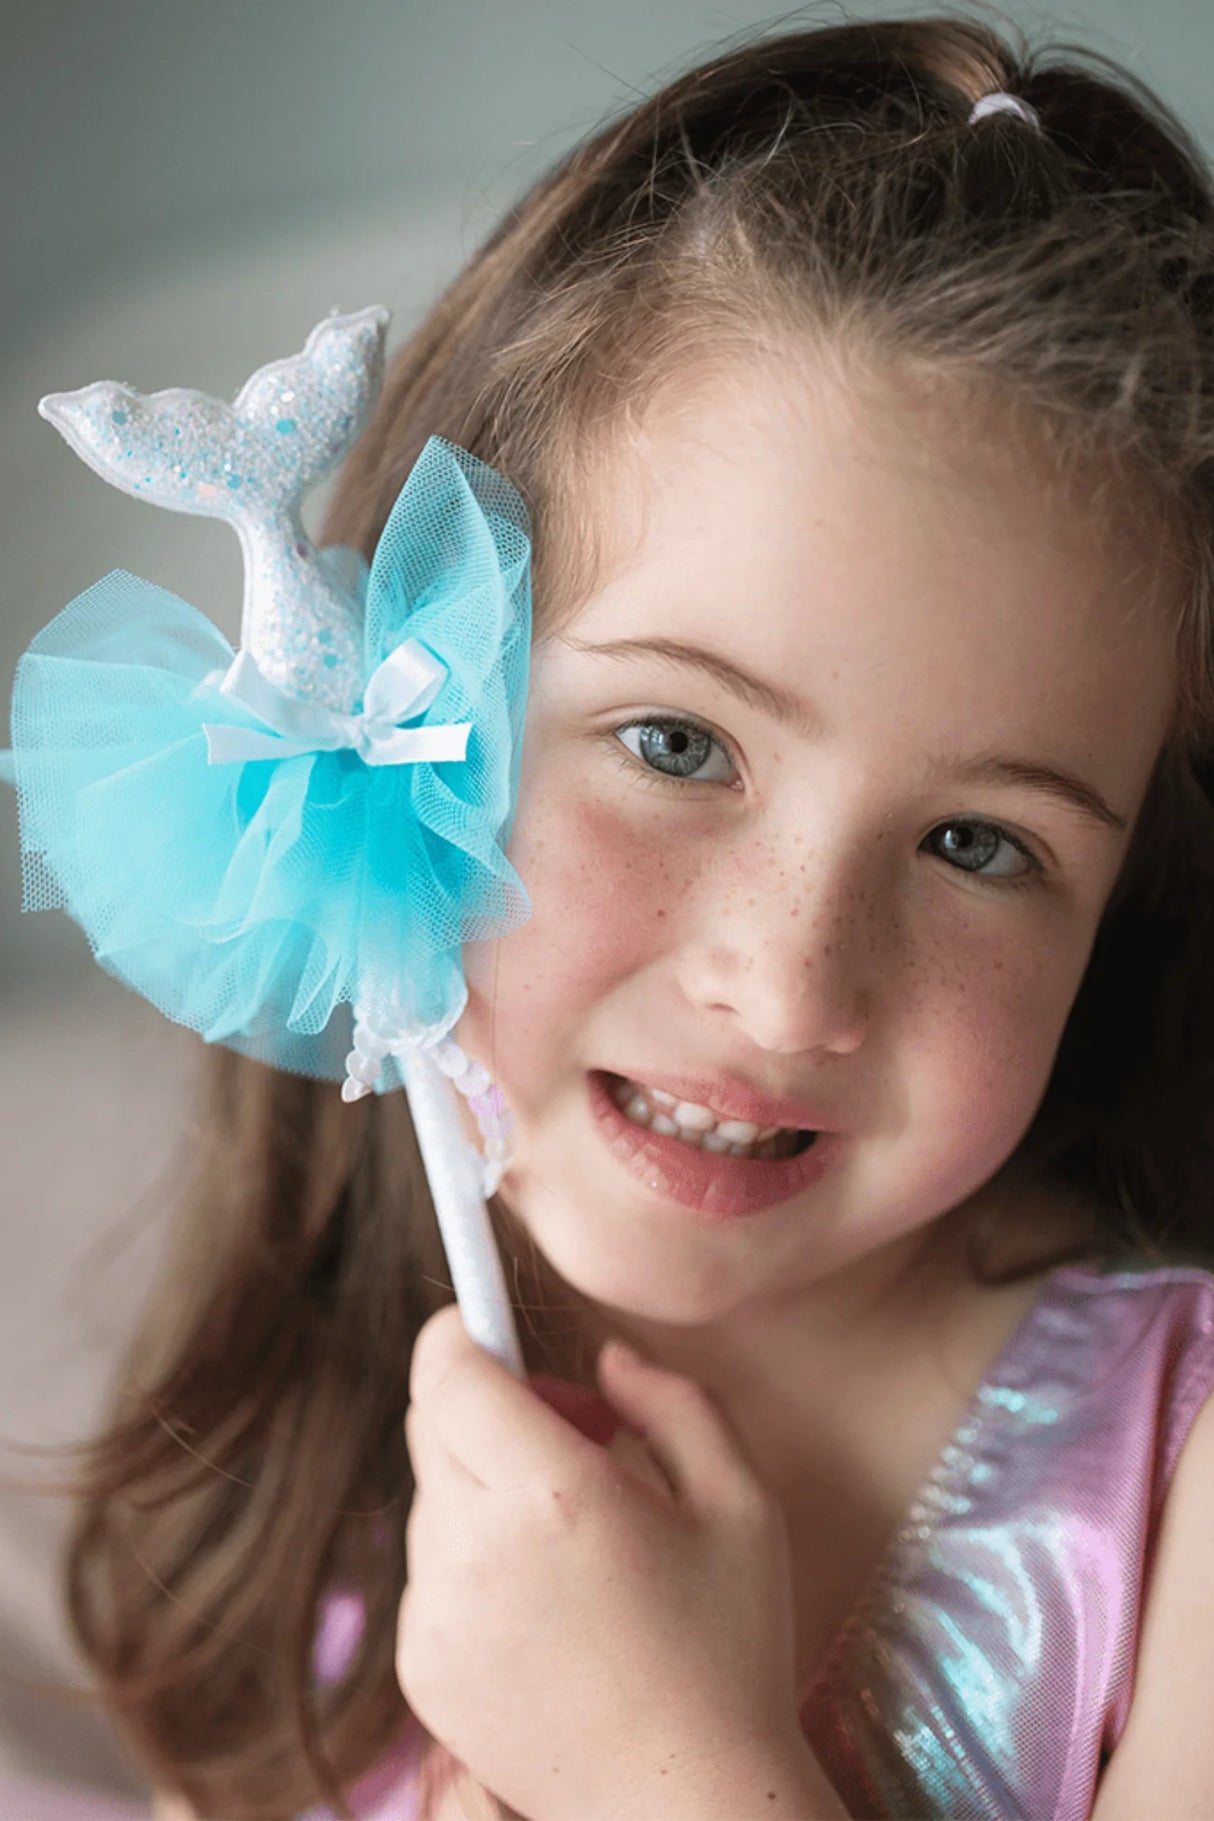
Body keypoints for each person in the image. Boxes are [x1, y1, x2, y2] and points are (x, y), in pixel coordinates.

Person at [38, 11, 1214, 1819]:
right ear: (417, 712)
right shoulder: (318, 1504)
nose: (785, 982)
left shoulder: (1182, 1480)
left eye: (979, 844)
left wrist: (666, 1768)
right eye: (675, 741)